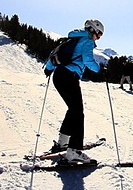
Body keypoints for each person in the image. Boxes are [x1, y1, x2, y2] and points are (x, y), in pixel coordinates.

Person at [43, 19, 106, 164]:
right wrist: (100, 70)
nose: (98, 37)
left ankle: (63, 142)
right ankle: (74, 150)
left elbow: (56, 54)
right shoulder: (87, 40)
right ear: (93, 30)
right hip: (69, 77)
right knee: (78, 112)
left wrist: (48, 69)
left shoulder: (73, 38)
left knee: (73, 109)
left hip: (59, 76)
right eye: (99, 34)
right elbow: (88, 60)